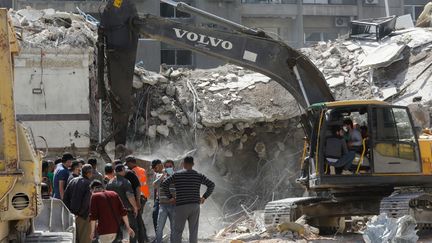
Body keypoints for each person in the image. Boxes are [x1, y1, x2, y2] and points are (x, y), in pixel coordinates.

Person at [161, 156, 215, 243]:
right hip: (195, 206)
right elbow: (211, 185)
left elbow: (164, 184)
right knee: (193, 232)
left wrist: (170, 197)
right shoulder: (198, 175)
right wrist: (204, 197)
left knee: (177, 231)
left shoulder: (177, 175)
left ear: (183, 164)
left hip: (181, 206)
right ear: (193, 164)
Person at [107, 164, 139, 243]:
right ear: (122, 170)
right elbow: (130, 196)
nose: (125, 171)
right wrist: (135, 207)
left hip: (114, 212)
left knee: (117, 231)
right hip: (126, 210)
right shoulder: (125, 182)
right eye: (124, 170)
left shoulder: (110, 182)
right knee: (133, 229)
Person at [63, 164, 93, 243]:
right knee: (85, 239)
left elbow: (65, 198)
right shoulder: (88, 184)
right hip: (83, 216)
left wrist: (70, 212)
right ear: (88, 173)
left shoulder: (73, 180)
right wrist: (79, 214)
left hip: (72, 215)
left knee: (74, 239)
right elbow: (86, 202)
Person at [125, 156, 150, 243]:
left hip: (139, 197)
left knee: (138, 220)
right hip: (144, 196)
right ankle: (144, 238)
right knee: (139, 219)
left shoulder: (133, 172)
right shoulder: (142, 169)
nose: (127, 166)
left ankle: (142, 239)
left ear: (131, 163)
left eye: (127, 164)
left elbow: (136, 186)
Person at [155, 160, 176, 243]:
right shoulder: (159, 176)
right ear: (164, 168)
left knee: (174, 228)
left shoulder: (177, 176)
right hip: (163, 205)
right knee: (159, 227)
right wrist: (163, 175)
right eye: (166, 167)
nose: (168, 168)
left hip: (174, 205)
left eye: (170, 166)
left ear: (173, 167)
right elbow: (155, 185)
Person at [151, 159, 163, 233]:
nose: (154, 170)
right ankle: (158, 235)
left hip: (169, 200)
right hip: (158, 200)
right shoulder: (156, 174)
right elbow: (155, 189)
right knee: (155, 215)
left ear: (160, 165)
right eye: (153, 168)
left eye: (155, 168)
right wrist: (155, 200)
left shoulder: (167, 173)